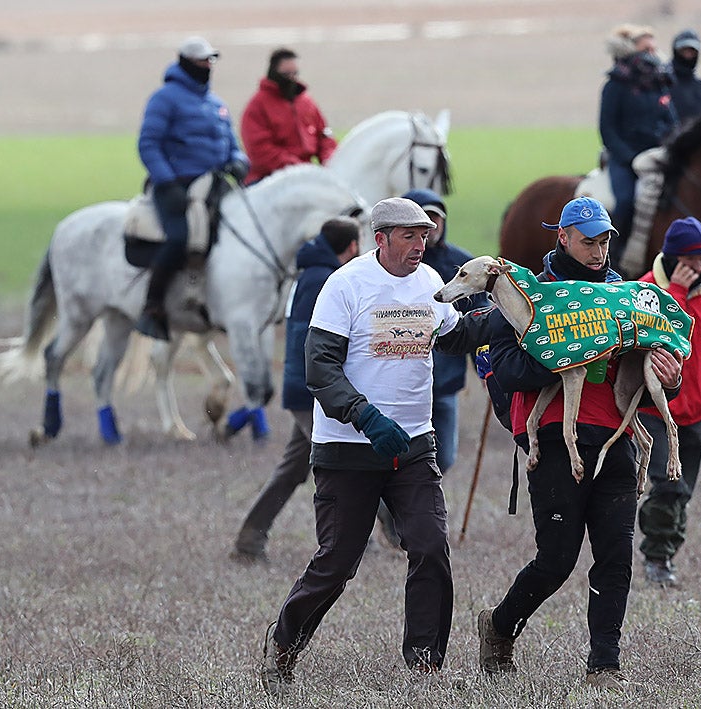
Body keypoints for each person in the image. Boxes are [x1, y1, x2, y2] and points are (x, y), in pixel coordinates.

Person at [260, 198, 490, 696]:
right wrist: (365, 416)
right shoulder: (345, 285)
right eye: (409, 235)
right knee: (338, 563)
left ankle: (425, 663)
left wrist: (509, 315)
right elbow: (320, 367)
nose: (420, 244)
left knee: (429, 547)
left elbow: (455, 336)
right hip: (347, 450)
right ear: (380, 238)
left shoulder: (430, 282)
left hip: (413, 447)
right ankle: (282, 645)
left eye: (424, 235)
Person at [478, 196, 683, 692]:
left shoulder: (624, 297)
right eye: (589, 242)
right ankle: (499, 626)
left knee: (615, 557)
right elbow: (505, 370)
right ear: (563, 238)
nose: (599, 251)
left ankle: (604, 665)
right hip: (554, 440)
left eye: (605, 241)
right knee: (556, 560)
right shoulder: (527, 297)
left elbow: (644, 380)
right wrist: (568, 348)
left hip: (616, 440)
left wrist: (669, 378)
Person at [231, 217, 360, 563]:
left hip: (309, 388)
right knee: (350, 460)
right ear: (351, 246)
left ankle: (249, 538)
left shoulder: (312, 275)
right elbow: (312, 343)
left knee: (292, 469)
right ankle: (389, 537)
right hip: (313, 391)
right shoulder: (323, 280)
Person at [636, 217, 701, 587]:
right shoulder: (647, 291)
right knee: (669, 485)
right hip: (653, 411)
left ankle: (663, 554)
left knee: (683, 493)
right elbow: (662, 331)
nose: (698, 266)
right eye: (691, 259)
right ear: (673, 258)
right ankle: (657, 558)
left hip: (694, 412)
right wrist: (677, 293)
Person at [135, 36, 249, 341]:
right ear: (187, 62)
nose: (208, 66)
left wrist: (239, 163)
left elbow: (233, 146)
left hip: (215, 184)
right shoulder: (164, 99)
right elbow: (148, 144)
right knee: (179, 237)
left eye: (211, 60)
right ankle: (153, 305)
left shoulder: (216, 104)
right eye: (203, 60)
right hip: (177, 185)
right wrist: (167, 181)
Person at [402, 187, 488, 473]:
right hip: (403, 384)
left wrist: (486, 368)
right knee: (402, 459)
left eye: (437, 218)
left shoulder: (462, 265)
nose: (433, 225)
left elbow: (480, 321)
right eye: (425, 219)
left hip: (444, 381)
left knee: (444, 458)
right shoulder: (395, 267)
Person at [623, 29, 701, 269]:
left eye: (692, 51)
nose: (688, 55)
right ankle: (629, 256)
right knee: (635, 200)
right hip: (660, 158)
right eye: (684, 50)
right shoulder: (659, 86)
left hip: (698, 166)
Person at [598, 24, 676, 270]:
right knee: (624, 202)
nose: (652, 54)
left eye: (653, 48)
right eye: (646, 49)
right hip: (625, 160)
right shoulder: (615, 85)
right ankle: (615, 259)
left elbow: (671, 121)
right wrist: (629, 158)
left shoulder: (660, 82)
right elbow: (607, 129)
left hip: (657, 157)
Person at [240, 47, 337, 185]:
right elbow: (260, 150)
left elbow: (325, 137)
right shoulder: (257, 106)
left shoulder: (306, 102)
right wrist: (297, 168)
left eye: (295, 73)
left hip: (308, 174)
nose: (292, 78)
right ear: (273, 72)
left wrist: (329, 160)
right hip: (270, 178)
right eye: (286, 74)